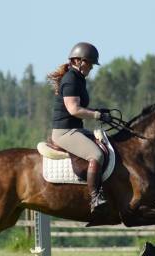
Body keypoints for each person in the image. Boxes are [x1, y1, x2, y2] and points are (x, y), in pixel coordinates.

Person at [47, 42, 112, 213]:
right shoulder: (71, 79)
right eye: (89, 63)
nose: (91, 67)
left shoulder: (78, 78)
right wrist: (97, 115)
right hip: (64, 132)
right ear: (78, 61)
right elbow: (74, 109)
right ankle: (95, 197)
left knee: (105, 144)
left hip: (75, 129)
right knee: (96, 154)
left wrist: (98, 111)